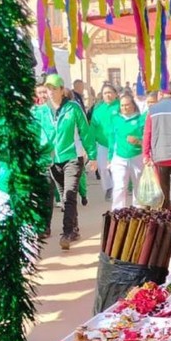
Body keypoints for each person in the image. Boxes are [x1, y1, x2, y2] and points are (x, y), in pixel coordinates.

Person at [34, 73, 92, 249]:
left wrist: (93, 155)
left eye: (53, 89)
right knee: (62, 196)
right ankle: (73, 228)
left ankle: (67, 233)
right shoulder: (40, 111)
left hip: (72, 157)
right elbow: (34, 134)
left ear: (61, 90)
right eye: (48, 89)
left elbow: (85, 131)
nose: (50, 92)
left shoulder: (73, 108)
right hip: (52, 161)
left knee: (69, 195)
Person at [107, 94, 147, 210]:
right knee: (119, 186)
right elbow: (111, 139)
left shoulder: (141, 119)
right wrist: (110, 157)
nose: (124, 108)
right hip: (120, 157)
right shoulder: (115, 119)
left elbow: (147, 138)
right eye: (122, 105)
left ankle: (138, 211)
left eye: (127, 105)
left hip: (137, 156)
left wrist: (138, 141)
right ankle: (118, 212)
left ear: (133, 105)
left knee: (138, 186)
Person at [90, 84, 121, 201]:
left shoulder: (121, 107)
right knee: (103, 168)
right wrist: (90, 143)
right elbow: (92, 127)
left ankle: (118, 188)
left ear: (115, 94)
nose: (107, 95)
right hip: (103, 144)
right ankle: (109, 188)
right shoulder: (98, 110)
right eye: (105, 93)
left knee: (117, 167)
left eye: (110, 92)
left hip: (119, 145)